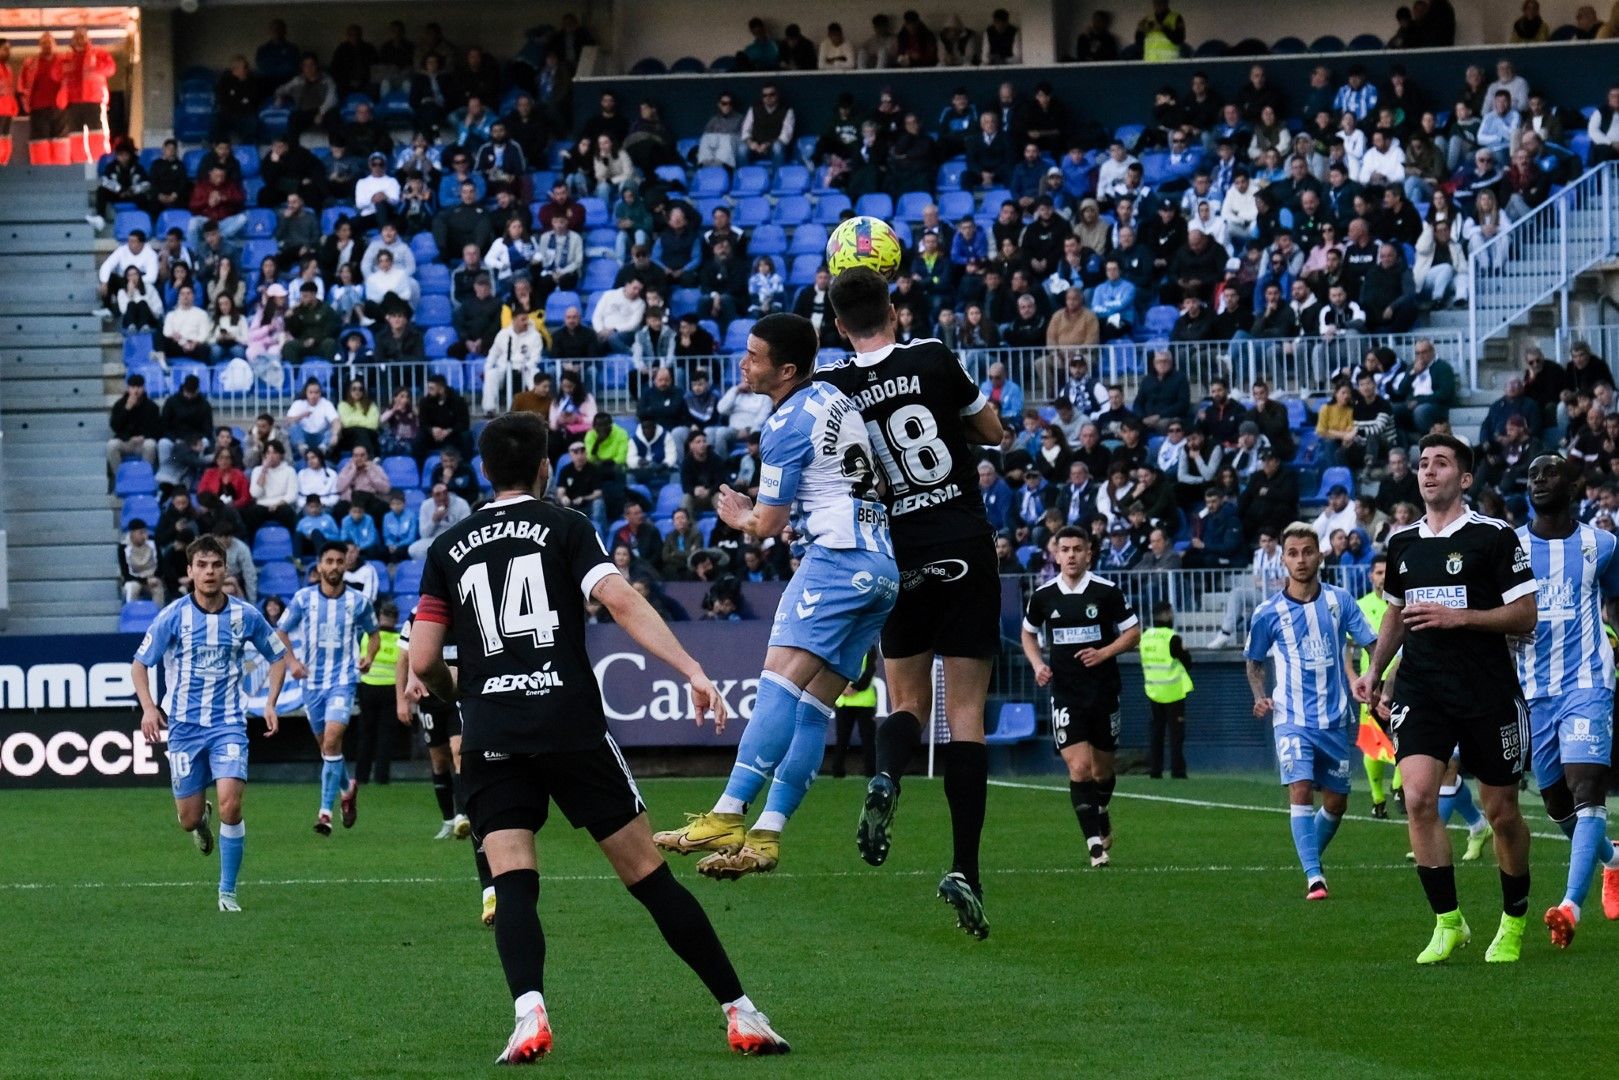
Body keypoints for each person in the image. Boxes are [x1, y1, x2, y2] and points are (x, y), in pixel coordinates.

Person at [407, 411, 789, 1062]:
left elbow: (420, 663)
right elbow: (619, 599)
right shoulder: (565, 526)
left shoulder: (447, 546)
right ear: (543, 468)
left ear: (483, 469)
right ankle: (741, 1013)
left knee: (513, 881)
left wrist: (456, 690)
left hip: (493, 729)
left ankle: (528, 1015)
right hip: (568, 722)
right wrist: (692, 668)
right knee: (648, 877)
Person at [654, 313, 898, 879]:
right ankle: (766, 835)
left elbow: (765, 524)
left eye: (755, 356)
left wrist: (743, 518)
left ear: (786, 370)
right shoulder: (835, 397)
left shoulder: (785, 423)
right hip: (881, 567)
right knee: (815, 707)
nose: (744, 363)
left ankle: (727, 811)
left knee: (778, 685)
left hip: (836, 563)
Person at [818, 266, 1004, 939]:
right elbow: (992, 430)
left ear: (838, 326)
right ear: (892, 309)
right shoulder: (931, 357)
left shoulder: (832, 387)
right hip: (961, 539)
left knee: (905, 704)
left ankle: (887, 774)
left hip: (894, 552)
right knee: (965, 717)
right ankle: (964, 868)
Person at [1353, 433, 1539, 964]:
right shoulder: (1403, 542)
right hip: (1422, 687)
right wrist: (1376, 669)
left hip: (1486, 691)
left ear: (1465, 478)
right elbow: (1396, 613)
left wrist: (1464, 618)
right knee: (1417, 798)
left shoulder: (1494, 536)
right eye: (1422, 464)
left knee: (1501, 812)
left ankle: (1514, 918)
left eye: (1440, 464)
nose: (1428, 471)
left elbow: (1526, 617)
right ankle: (1448, 922)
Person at [132, 536, 287, 912]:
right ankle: (200, 822)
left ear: (225, 570)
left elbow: (277, 656)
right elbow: (140, 665)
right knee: (187, 819)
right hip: (184, 726)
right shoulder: (173, 616)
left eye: (216, 565)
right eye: (201, 565)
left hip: (229, 724)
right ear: (190, 572)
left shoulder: (245, 615)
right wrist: (150, 708)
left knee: (232, 806)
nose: (210, 572)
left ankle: (227, 892)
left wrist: (270, 701)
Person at [1514, 454, 1619, 947]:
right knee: (1556, 799)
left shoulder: (1603, 544)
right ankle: (1613, 862)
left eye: (1549, 473)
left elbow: (1615, 600)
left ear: (1573, 484)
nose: (1538, 481)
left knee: (1585, 789)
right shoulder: (1509, 545)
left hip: (1588, 681)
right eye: (1532, 475)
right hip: (1533, 689)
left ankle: (1570, 907)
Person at [1247, 522, 1378, 901]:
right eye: (1293, 553)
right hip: (1291, 718)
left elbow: (1372, 643)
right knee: (1300, 789)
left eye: (1307, 552)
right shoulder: (1268, 612)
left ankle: (1309, 856)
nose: (1301, 560)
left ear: (1320, 555)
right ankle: (1314, 877)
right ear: (1283, 559)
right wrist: (1260, 696)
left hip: (1335, 718)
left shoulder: (1340, 601)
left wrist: (1373, 680)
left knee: (1336, 802)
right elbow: (1254, 662)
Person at [1021, 527, 1141, 867]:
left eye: (1078, 549)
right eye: (1065, 549)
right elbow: (1028, 634)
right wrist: (1036, 664)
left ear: (1089, 553)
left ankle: (1101, 812)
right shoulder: (1043, 596)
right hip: (1066, 693)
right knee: (1079, 767)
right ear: (1056, 554)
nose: (1071, 555)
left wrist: (1103, 653)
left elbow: (1133, 633)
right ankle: (1094, 846)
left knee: (1103, 771)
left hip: (1103, 691)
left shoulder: (1106, 592)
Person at [276, 542, 380, 836]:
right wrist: (292, 661)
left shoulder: (358, 602)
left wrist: (369, 657)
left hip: (343, 681)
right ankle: (348, 789)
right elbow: (280, 631)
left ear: (345, 565)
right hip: (311, 683)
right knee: (327, 748)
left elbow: (374, 635)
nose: (334, 566)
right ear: (319, 566)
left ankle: (325, 813)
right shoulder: (303, 599)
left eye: (339, 561)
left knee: (333, 741)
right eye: (328, 561)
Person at [1140, 600, 1193, 780]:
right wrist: (1185, 652)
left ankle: (1155, 770)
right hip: (1173, 691)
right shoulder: (1172, 638)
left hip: (1153, 690)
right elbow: (1187, 662)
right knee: (1176, 734)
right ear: (1168, 614)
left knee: (1156, 732)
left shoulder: (1145, 636)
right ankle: (1178, 771)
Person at [352, 598, 401, 786]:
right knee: (385, 735)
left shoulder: (368, 636)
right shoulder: (399, 640)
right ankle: (381, 777)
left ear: (380, 616)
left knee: (366, 734)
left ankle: (361, 776)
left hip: (368, 687)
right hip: (390, 689)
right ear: (396, 619)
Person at [831, 645, 880, 779]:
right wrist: (851, 688)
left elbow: (870, 671)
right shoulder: (847, 645)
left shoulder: (867, 647)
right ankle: (838, 771)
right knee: (843, 739)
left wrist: (848, 688)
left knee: (866, 739)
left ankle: (869, 771)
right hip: (852, 700)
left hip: (858, 701)